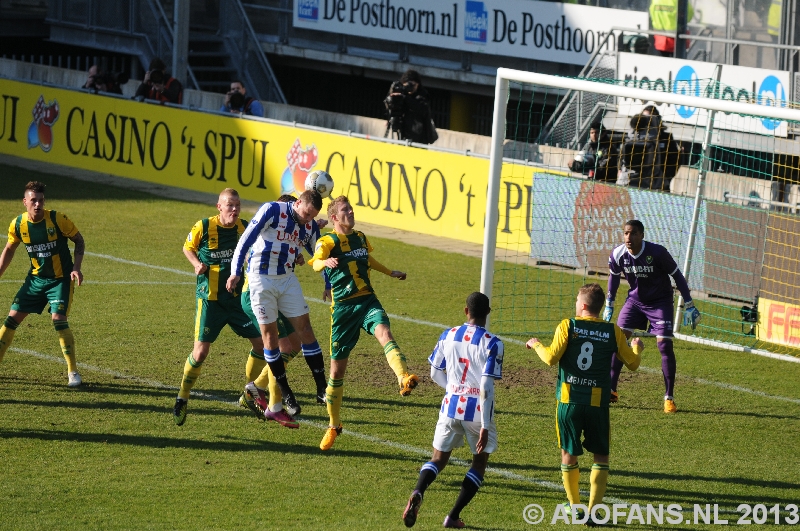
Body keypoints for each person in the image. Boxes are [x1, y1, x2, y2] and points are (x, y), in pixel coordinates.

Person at [526, 283, 644, 526]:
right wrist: (636, 347)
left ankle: (575, 508)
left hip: (569, 402)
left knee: (569, 453)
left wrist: (536, 344)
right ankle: (594, 511)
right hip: (598, 403)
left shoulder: (568, 325)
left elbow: (550, 358)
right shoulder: (613, 331)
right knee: (601, 456)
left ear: (584, 306)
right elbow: (632, 364)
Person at [310, 195, 419, 451]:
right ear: (335, 218)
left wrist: (389, 271)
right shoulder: (327, 241)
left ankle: (403, 377)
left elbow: (367, 260)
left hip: (368, 301)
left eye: (351, 208)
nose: (351, 212)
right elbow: (315, 263)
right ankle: (334, 425)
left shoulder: (360, 238)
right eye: (345, 210)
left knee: (385, 334)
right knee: (336, 373)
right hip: (344, 310)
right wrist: (324, 262)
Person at [402, 292, 503, 529]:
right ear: (487, 313)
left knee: (438, 458)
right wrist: (486, 427)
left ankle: (418, 490)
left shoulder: (449, 335)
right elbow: (486, 386)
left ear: (466, 311)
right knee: (478, 464)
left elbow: (435, 373)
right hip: (477, 413)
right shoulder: (493, 342)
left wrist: (454, 390)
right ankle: (453, 516)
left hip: (450, 407)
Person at [173, 188, 272, 426]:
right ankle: (182, 397)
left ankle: (250, 393)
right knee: (200, 352)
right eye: (230, 206)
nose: (234, 210)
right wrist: (196, 264)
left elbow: (266, 242)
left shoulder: (245, 227)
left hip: (238, 301)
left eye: (237, 205)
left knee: (261, 344)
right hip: (211, 301)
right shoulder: (204, 227)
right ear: (219, 207)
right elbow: (187, 247)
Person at [228, 189, 326, 427]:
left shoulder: (309, 226)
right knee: (271, 339)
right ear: (299, 202)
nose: (307, 219)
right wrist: (235, 272)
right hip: (260, 280)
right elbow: (246, 239)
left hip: (286, 279)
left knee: (304, 332)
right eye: (305, 213)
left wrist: (328, 282)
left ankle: (322, 389)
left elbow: (318, 255)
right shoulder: (273, 210)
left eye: (312, 216)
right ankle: (279, 395)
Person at [602, 220, 700, 413]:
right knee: (619, 340)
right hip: (635, 302)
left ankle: (669, 398)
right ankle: (611, 390)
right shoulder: (617, 254)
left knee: (664, 344)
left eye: (633, 234)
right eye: (626, 233)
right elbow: (613, 277)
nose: (629, 238)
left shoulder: (657, 253)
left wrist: (689, 303)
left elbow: (677, 276)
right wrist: (609, 303)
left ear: (642, 235)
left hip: (660, 302)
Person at [0, 181, 85, 387]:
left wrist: (76, 267)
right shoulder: (18, 224)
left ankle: (73, 372)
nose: (37, 204)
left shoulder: (57, 219)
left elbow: (79, 241)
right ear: (24, 202)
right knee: (11, 319)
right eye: (33, 201)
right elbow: (10, 249)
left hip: (60, 279)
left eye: (40, 200)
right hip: (36, 280)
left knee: (58, 318)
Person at [384, 69, 437, 144]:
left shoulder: (423, 95)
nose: (410, 88)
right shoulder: (403, 93)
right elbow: (391, 105)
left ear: (418, 84)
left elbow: (421, 109)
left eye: (413, 85)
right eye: (407, 85)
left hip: (419, 135)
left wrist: (405, 98)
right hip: (404, 131)